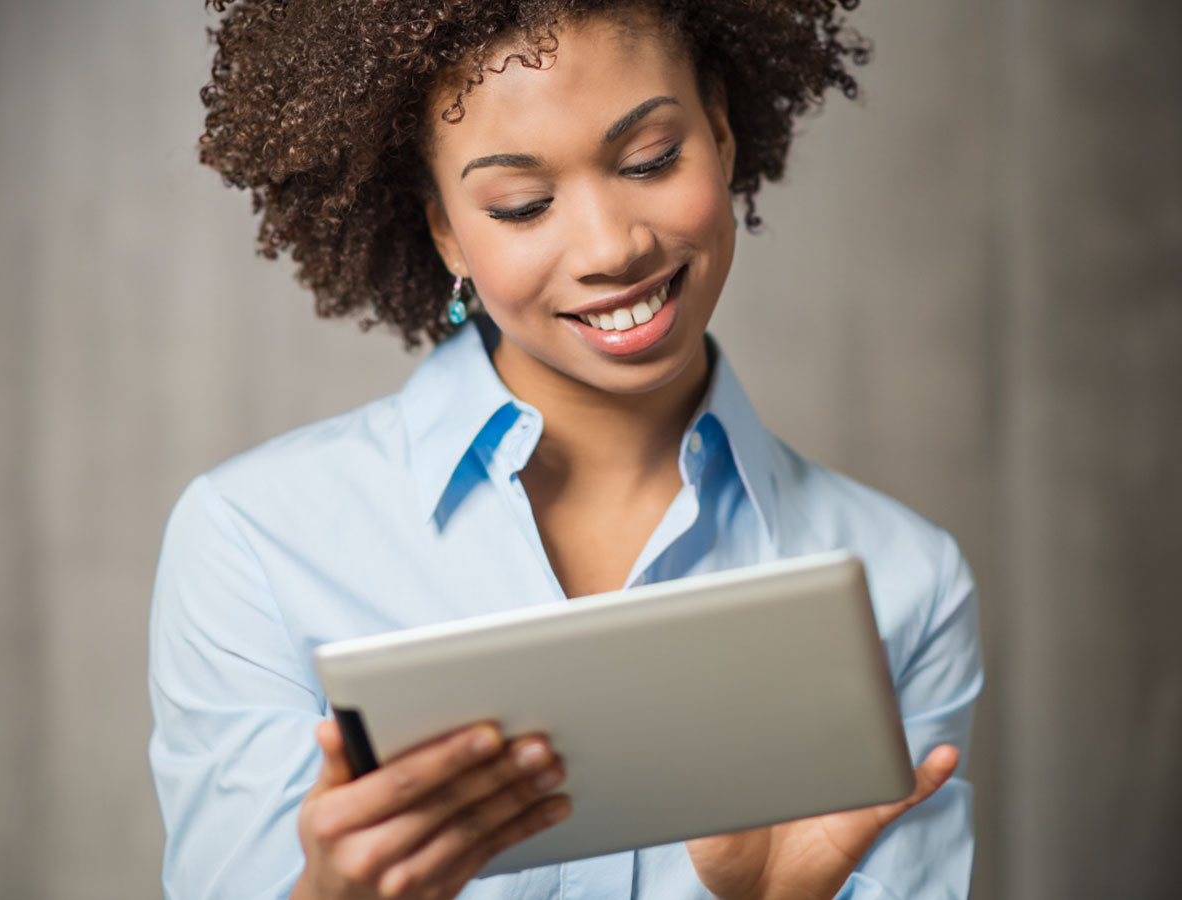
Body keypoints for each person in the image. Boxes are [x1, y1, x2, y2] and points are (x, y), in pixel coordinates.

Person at [149, 1, 984, 898]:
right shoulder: (253, 544)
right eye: (522, 204)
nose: (611, 247)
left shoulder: (904, 584)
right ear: (445, 232)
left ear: (723, 133)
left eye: (652, 159)